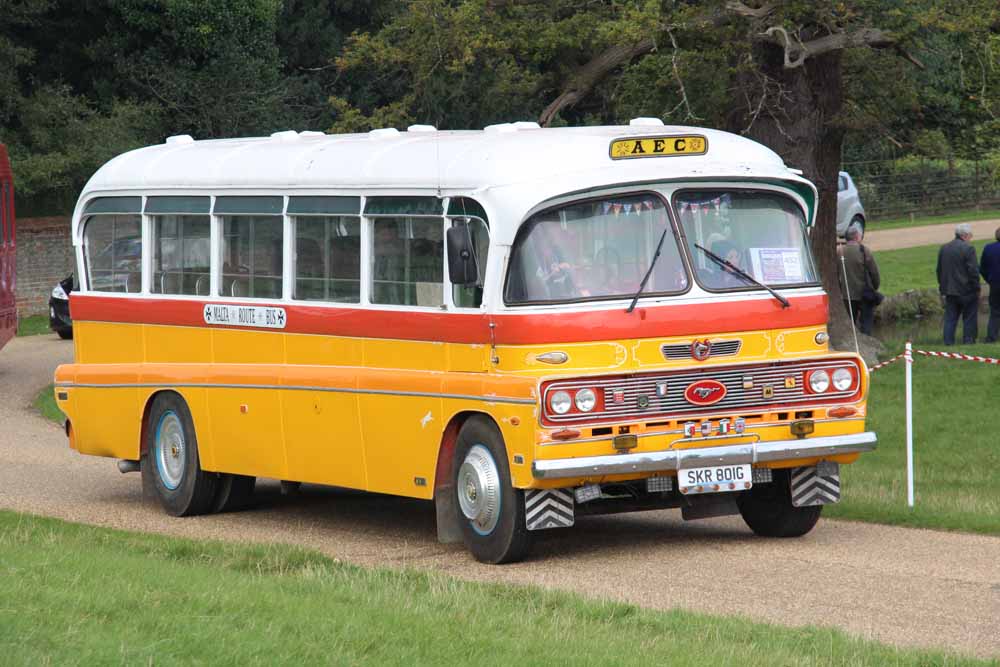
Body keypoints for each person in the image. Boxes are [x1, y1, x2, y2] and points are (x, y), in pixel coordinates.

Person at [936, 223, 981, 345]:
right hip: (966, 290)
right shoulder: (968, 249)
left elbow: (939, 270)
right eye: (970, 235)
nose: (971, 238)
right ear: (965, 235)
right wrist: (977, 287)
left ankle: (948, 342)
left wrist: (942, 286)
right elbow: (973, 271)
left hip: (949, 290)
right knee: (969, 318)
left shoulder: (944, 248)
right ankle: (968, 341)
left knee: (950, 318)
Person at [838, 225, 881, 335]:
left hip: (846, 294)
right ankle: (866, 340)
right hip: (864, 294)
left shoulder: (839, 251)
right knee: (866, 322)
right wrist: (875, 287)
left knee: (850, 322)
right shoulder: (864, 251)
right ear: (857, 237)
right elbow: (874, 273)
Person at [979, 226, 1000, 343]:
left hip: (995, 284)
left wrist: (989, 280)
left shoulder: (988, 248)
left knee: (995, 312)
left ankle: (991, 337)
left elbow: (982, 268)